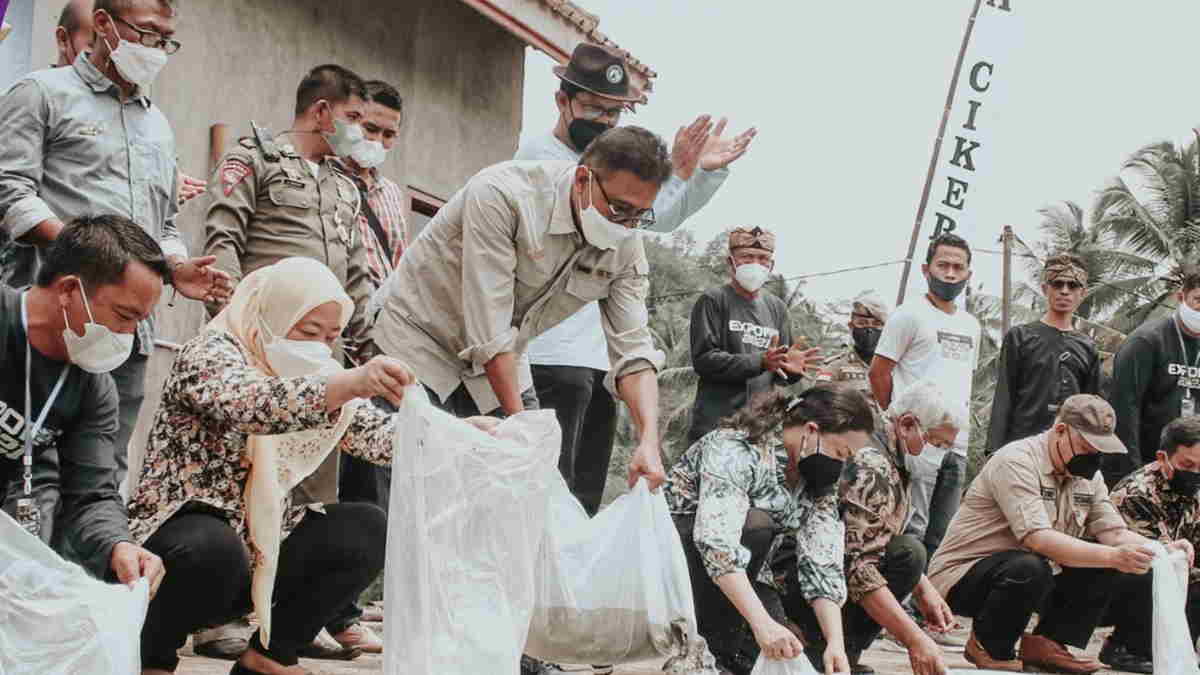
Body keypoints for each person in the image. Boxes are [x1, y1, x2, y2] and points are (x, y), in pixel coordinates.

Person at [128, 258, 496, 675]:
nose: (318, 346)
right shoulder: (211, 352)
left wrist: (461, 434)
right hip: (177, 545)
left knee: (366, 527)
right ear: (271, 314)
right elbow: (252, 405)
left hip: (256, 545)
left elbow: (373, 433)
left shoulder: (314, 371)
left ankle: (269, 656)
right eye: (307, 332)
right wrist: (348, 384)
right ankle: (151, 657)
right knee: (212, 547)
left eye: (330, 337)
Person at [0, 0, 231, 539]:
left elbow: (164, 223)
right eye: (146, 33)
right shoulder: (42, 94)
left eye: (165, 40)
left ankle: (68, 593)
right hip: (52, 324)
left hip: (126, 333)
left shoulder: (158, 127)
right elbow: (10, 190)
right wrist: (93, 256)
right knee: (22, 471)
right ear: (103, 25)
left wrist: (172, 267)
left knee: (97, 478)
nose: (155, 50)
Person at [516, 43, 756, 518]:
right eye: (592, 108)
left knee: (580, 500)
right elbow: (597, 212)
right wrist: (677, 170)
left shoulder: (614, 168)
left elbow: (655, 217)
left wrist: (701, 175)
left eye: (613, 113)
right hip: (545, 356)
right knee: (539, 498)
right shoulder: (540, 159)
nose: (602, 121)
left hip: (595, 358)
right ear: (562, 101)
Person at [372, 125, 672, 490]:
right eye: (620, 209)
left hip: (504, 356)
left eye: (640, 215)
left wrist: (648, 442)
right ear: (582, 180)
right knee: (401, 484)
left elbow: (634, 352)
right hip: (418, 339)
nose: (626, 225)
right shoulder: (503, 195)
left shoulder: (626, 244)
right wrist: (523, 441)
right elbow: (490, 332)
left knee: (514, 496)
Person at [202, 64, 383, 658]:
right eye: (355, 118)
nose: (363, 132)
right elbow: (224, 234)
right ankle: (223, 614)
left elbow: (356, 275)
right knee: (244, 479)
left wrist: (365, 350)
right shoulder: (255, 158)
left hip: (316, 356)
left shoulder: (344, 187)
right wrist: (227, 321)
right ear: (323, 112)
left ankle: (282, 622)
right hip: (260, 349)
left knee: (306, 492)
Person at [926, 395, 1191, 673]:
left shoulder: (1089, 477)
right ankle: (990, 647)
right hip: (966, 576)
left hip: (1038, 576)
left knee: (1109, 562)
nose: (1094, 457)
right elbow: (1038, 539)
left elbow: (1113, 533)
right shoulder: (1017, 461)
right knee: (1032, 565)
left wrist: (1162, 548)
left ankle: (1047, 643)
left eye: (1101, 449)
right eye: (1087, 447)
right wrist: (1113, 555)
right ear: (1060, 431)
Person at [0, 215, 166, 598]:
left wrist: (118, 544)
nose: (129, 336)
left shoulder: (92, 386)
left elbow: (91, 493)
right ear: (69, 289)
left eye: (140, 322)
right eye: (125, 316)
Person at [665, 385, 875, 675]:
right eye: (841, 452)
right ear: (811, 431)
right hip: (678, 562)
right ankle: (706, 649)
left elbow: (822, 560)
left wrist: (835, 643)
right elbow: (716, 542)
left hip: (748, 571)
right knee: (757, 525)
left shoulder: (815, 480)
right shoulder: (736, 448)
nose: (841, 464)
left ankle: (733, 647)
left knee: (788, 652)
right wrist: (762, 624)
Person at [803, 380, 961, 675]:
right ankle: (829, 648)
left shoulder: (892, 454)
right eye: (937, 444)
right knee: (908, 554)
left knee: (910, 555)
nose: (940, 455)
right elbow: (859, 567)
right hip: (808, 574)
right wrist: (915, 639)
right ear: (907, 425)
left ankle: (841, 649)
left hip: (826, 566)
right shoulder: (872, 465)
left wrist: (923, 589)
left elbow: (880, 533)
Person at [869, 233, 981, 564]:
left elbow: (964, 380)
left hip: (955, 443)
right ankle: (897, 606)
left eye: (958, 267)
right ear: (925, 269)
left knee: (941, 534)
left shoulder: (970, 325)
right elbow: (878, 373)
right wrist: (899, 425)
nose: (949, 273)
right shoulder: (909, 315)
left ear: (968, 275)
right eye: (942, 265)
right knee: (910, 528)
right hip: (917, 443)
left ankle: (926, 611)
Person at [329, 78, 408, 517]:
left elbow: (399, 266)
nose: (376, 140)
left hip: (378, 344)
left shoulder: (393, 194)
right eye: (370, 127)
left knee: (372, 471)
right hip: (333, 336)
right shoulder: (321, 179)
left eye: (388, 133)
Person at [687, 226, 817, 446]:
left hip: (760, 429)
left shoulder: (777, 308)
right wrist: (760, 361)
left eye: (763, 258)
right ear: (731, 262)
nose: (755, 263)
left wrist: (792, 371)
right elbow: (704, 360)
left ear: (771, 265)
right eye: (747, 257)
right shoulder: (713, 300)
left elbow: (778, 370)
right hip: (716, 427)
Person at [1101, 416, 1200, 673]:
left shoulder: (1196, 489)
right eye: (1187, 464)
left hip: (1178, 577)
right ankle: (1126, 646)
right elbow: (1160, 557)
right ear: (1162, 457)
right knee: (1154, 570)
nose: (1194, 474)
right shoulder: (1137, 494)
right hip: (1113, 586)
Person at [986, 254, 1101, 454]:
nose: (1064, 291)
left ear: (1082, 293)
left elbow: (1089, 408)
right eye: (1057, 284)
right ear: (1045, 289)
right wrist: (994, 451)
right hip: (1021, 447)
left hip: (1068, 451)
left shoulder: (1088, 347)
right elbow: (1004, 395)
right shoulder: (1020, 336)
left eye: (1072, 286)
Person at [1108, 267, 1200, 486]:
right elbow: (1124, 410)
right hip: (1147, 466)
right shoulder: (1146, 341)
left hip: (1189, 468)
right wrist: (1132, 474)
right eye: (1198, 299)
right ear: (1181, 297)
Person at [816, 291, 890, 420]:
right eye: (862, 323)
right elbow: (818, 405)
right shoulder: (835, 366)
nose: (869, 329)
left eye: (877, 324)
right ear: (851, 326)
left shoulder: (895, 369)